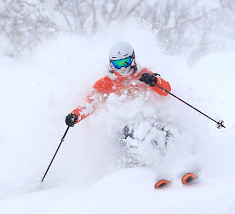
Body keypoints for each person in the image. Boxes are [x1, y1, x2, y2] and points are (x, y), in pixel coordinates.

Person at [64, 41, 197, 188]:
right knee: (138, 137)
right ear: (111, 64)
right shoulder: (106, 82)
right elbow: (90, 103)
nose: (122, 68)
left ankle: (183, 165)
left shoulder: (143, 74)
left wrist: (154, 81)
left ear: (133, 60)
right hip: (125, 124)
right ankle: (150, 172)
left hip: (149, 116)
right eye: (117, 64)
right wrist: (75, 116)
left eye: (126, 62)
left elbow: (165, 91)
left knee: (164, 131)